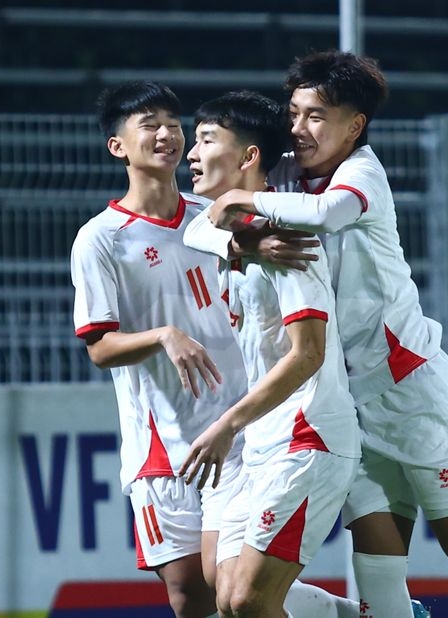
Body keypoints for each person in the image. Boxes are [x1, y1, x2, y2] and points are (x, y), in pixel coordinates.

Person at [198, 52, 448, 618]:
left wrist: (247, 203)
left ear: (354, 125)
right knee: (377, 564)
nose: (299, 129)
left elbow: (330, 213)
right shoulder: (282, 172)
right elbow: (198, 221)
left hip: (411, 392)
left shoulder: (362, 172)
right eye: (294, 113)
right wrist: (241, 243)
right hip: (348, 404)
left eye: (316, 116)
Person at [70, 81, 258, 618]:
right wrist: (162, 335)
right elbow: (100, 347)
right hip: (163, 447)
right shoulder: (101, 238)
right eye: (149, 123)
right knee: (189, 597)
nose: (167, 134)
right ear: (118, 146)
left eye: (174, 123)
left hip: (241, 432)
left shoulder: (216, 214)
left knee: (241, 591)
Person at [179, 90, 361, 617]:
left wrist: (227, 424)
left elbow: (307, 355)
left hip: (308, 435)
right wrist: (239, 243)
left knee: (249, 600)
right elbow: (200, 226)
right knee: (228, 595)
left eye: (207, 140)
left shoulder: (288, 240)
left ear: (249, 157)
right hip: (265, 440)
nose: (192, 154)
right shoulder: (236, 238)